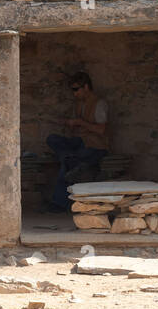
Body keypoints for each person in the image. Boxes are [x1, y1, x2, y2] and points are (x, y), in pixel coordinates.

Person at [46, 71, 110, 212]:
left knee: (66, 164)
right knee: (52, 139)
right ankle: (69, 158)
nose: (74, 93)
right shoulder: (79, 104)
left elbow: (101, 130)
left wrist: (81, 123)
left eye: (76, 89)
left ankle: (59, 204)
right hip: (79, 142)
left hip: (95, 146)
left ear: (86, 87)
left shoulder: (99, 104)